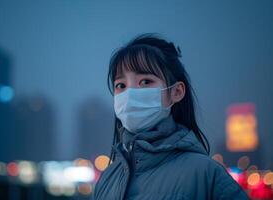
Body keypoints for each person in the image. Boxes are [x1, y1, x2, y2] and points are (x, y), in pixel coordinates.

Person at [91, 33, 249, 200]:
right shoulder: (108, 178)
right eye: (121, 85)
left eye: (145, 81)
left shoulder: (206, 174)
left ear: (176, 92)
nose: (130, 93)